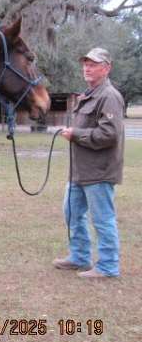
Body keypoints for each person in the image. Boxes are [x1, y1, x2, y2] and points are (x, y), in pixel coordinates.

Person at [53, 47, 125, 278]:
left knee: (103, 219)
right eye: (86, 63)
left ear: (106, 68)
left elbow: (109, 134)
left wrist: (76, 134)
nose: (87, 67)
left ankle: (108, 266)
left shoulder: (109, 96)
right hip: (79, 171)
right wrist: (75, 132)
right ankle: (79, 256)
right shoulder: (90, 94)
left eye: (93, 64)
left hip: (99, 171)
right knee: (72, 213)